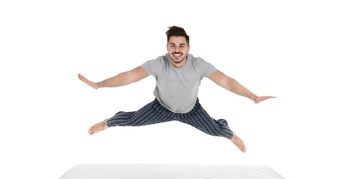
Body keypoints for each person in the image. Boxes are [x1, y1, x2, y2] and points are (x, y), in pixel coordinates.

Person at [78, 26, 275, 153]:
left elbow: (227, 82)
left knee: (217, 131)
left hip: (191, 111)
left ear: (188, 47)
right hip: (161, 108)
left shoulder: (199, 65)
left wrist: (253, 96)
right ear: (167, 47)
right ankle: (107, 122)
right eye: (173, 46)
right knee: (130, 120)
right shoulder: (158, 63)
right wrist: (98, 84)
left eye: (181, 45)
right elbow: (129, 76)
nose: (177, 50)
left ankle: (231, 134)